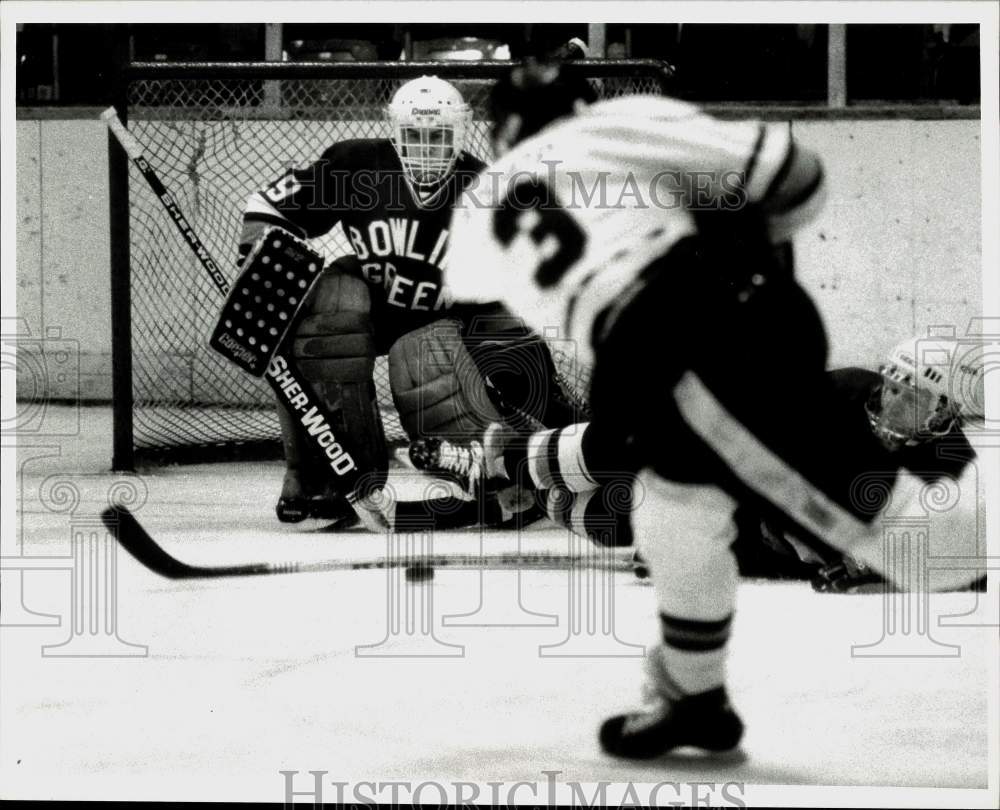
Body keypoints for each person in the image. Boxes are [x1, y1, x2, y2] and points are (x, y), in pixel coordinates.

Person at [442, 62, 983, 759]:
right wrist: (740, 254)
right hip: (721, 320)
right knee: (673, 510)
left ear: (502, 132)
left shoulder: (478, 205)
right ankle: (694, 698)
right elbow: (800, 175)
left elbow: (495, 311)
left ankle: (693, 692)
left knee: (922, 553)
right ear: (582, 103)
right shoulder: (621, 119)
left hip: (678, 348)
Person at [238, 75, 576, 523]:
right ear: (393, 131)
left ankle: (498, 472)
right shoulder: (356, 165)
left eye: (438, 136)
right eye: (414, 135)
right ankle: (324, 474)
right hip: (375, 303)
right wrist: (259, 260)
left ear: (460, 132)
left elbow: (514, 301)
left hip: (443, 320)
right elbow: (267, 207)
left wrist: (548, 405)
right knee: (326, 312)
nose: (426, 147)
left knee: (420, 358)